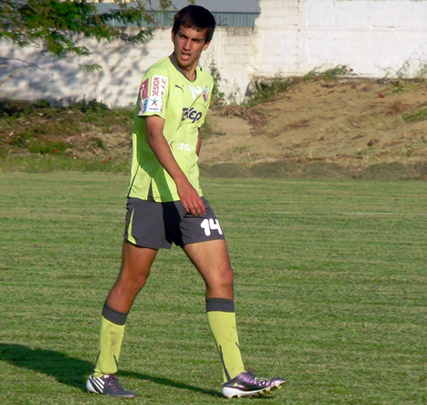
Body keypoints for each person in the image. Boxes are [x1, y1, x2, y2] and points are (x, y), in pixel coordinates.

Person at [85, 5, 286, 399]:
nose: (187, 46)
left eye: (196, 40)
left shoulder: (206, 82)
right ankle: (101, 372)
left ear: (206, 43)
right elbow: (156, 136)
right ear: (173, 34)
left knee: (222, 276)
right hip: (151, 196)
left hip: (190, 197)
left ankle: (236, 374)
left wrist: (192, 177)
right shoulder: (157, 78)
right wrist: (183, 183)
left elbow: (193, 132)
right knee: (132, 280)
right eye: (182, 36)